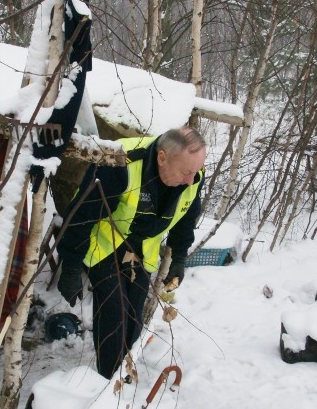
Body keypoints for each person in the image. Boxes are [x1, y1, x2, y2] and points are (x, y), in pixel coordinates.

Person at [55, 127, 207, 378]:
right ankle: (108, 380)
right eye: (186, 172)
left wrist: (179, 257)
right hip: (105, 241)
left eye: (196, 171)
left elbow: (186, 218)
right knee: (114, 311)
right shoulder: (120, 161)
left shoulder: (192, 175)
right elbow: (81, 215)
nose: (192, 179)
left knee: (134, 314)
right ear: (161, 157)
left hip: (142, 246)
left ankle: (124, 370)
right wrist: (70, 266)